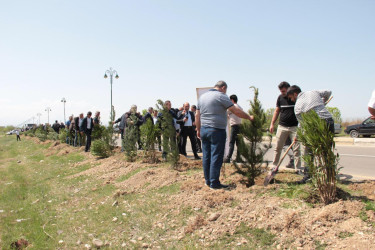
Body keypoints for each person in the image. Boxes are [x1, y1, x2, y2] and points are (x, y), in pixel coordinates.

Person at [196, 81, 254, 190]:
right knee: (216, 156)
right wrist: (249, 117)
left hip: (204, 130)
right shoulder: (221, 96)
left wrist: (198, 129)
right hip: (216, 131)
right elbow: (236, 111)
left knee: (207, 156)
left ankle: (208, 181)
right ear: (223, 87)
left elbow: (197, 115)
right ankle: (214, 183)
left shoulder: (202, 97)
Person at [287, 85, 334, 184]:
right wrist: (323, 102)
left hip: (315, 125)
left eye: (291, 97)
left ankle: (308, 176)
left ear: (295, 94)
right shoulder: (313, 92)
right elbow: (328, 91)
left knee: (308, 151)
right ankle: (330, 177)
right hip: (327, 121)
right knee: (327, 151)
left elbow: (302, 124)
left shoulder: (297, 106)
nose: (292, 100)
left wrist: (297, 136)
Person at [269, 82, 301, 171]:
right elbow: (276, 111)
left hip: (294, 127)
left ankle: (298, 169)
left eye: (283, 91)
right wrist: (272, 123)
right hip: (282, 126)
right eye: (281, 91)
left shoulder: (295, 98)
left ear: (288, 89)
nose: (282, 93)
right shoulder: (280, 98)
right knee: (278, 148)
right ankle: (274, 167)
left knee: (297, 149)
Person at [224, 94, 243, 163]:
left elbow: (225, 113)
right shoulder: (240, 107)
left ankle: (228, 158)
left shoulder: (232, 107)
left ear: (232, 100)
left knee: (231, 143)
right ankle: (238, 158)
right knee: (239, 143)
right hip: (240, 126)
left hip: (234, 126)